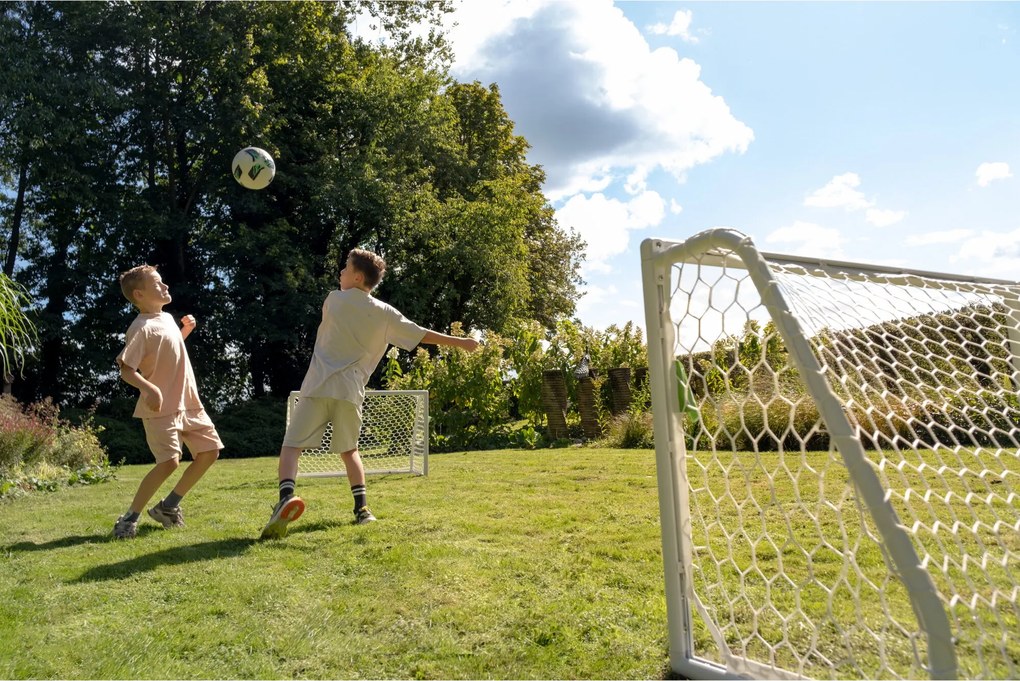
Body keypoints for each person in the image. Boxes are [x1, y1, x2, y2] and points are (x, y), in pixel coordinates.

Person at [260, 248, 480, 539]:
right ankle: (363, 510)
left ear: (358, 276)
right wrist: (462, 342)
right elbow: (420, 333)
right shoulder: (385, 313)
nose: (340, 273)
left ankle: (286, 498)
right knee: (350, 452)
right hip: (350, 392)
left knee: (291, 447)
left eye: (345, 269)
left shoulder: (333, 300)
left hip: (317, 387)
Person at [112, 265, 223, 539]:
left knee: (209, 451)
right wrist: (149, 389)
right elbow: (127, 370)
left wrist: (184, 332)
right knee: (169, 462)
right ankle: (129, 519)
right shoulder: (140, 327)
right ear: (139, 294)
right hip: (160, 408)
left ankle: (169, 506)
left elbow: (168, 350)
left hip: (189, 402)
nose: (166, 287)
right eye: (158, 284)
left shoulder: (168, 320)